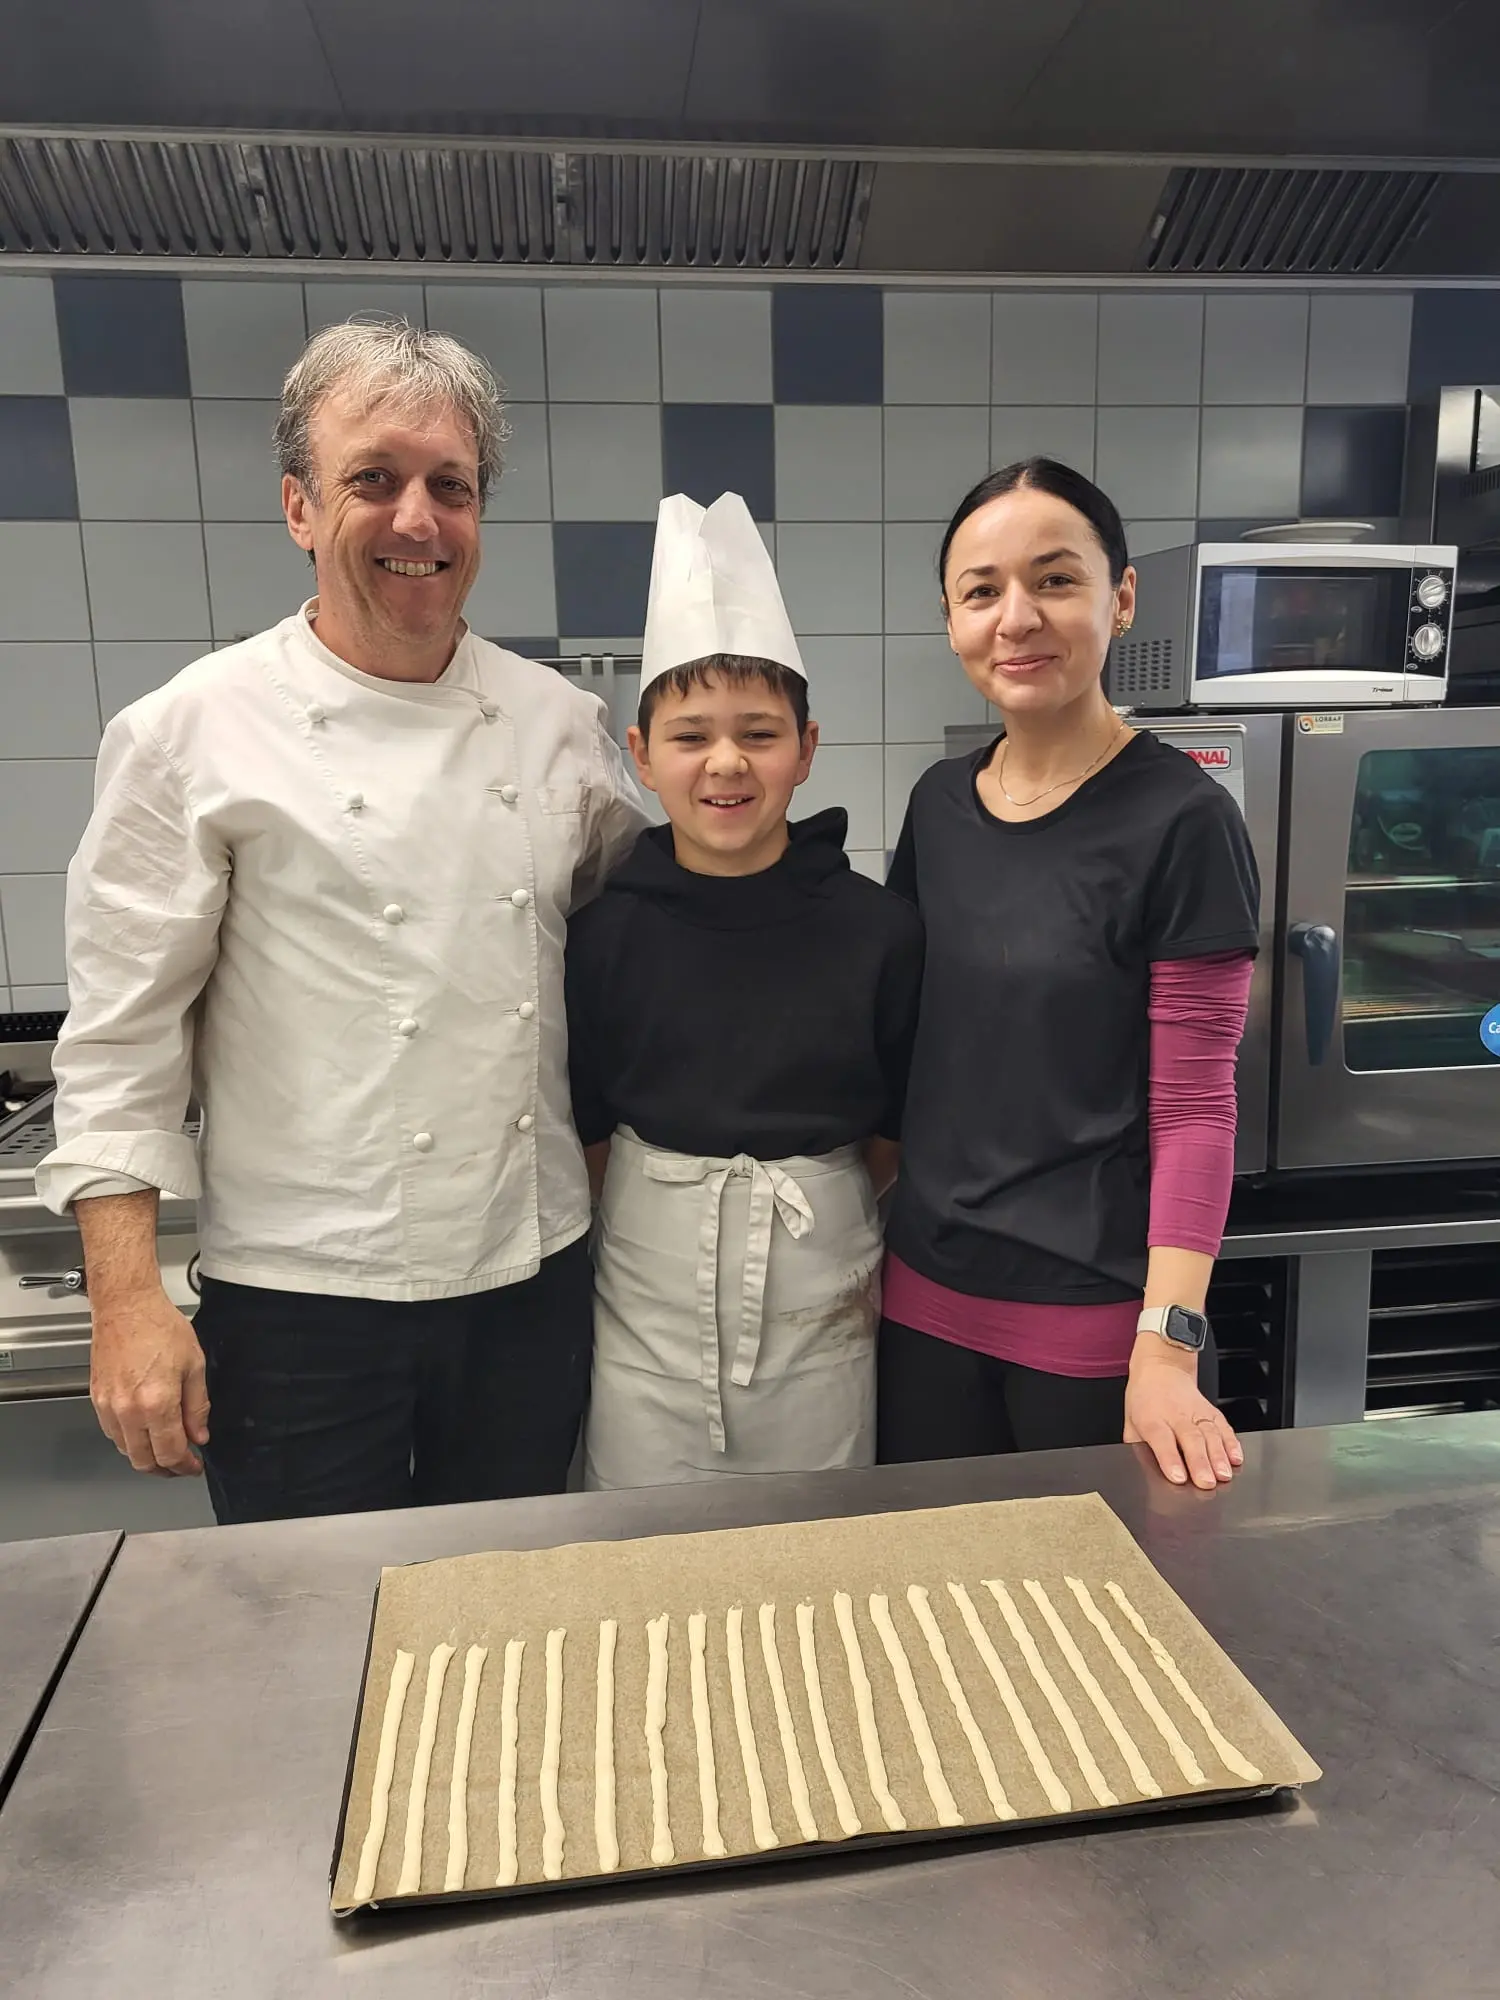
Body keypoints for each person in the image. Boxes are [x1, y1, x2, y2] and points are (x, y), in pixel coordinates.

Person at [37, 318, 648, 1524]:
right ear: (301, 508)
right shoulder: (191, 732)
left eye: (451, 486)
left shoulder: (560, 727)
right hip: (301, 1304)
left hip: (530, 1283)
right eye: (373, 478)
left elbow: (635, 960)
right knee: (306, 1641)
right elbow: (120, 1045)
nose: (417, 519)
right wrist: (127, 1298)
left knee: (513, 1611)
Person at [877, 458, 1259, 1493]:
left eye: (1054, 579)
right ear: (951, 618)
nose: (1017, 617)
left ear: (1120, 597)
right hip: (920, 1302)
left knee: (1089, 1633)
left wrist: (1168, 1346)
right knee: (934, 1613)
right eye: (982, 589)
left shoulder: (1182, 820)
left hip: (1093, 1324)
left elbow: (1195, 1106)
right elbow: (920, 1042)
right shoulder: (938, 807)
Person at [566, 492, 925, 1487]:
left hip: (825, 1317)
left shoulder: (879, 930)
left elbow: (893, 1132)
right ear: (641, 757)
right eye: (690, 736)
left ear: (807, 749)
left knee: (818, 1574)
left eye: (759, 733)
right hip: (645, 1315)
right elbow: (589, 1135)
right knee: (645, 1571)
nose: (726, 761)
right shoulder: (602, 933)